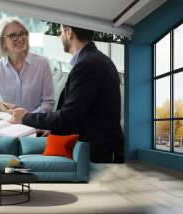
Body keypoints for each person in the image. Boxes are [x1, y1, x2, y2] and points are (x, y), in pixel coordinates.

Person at [10, 25, 124, 163]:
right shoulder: (98, 60)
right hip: (96, 147)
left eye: (60, 32)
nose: (59, 36)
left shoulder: (87, 65)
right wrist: (50, 128)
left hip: (91, 154)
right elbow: (83, 113)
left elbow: (67, 117)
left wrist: (25, 118)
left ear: (68, 32)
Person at [0, 17, 55, 113]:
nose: (20, 38)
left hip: (34, 124)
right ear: (3, 42)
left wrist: (27, 118)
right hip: (6, 124)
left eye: (22, 33)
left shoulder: (42, 64)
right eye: (13, 35)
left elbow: (48, 104)